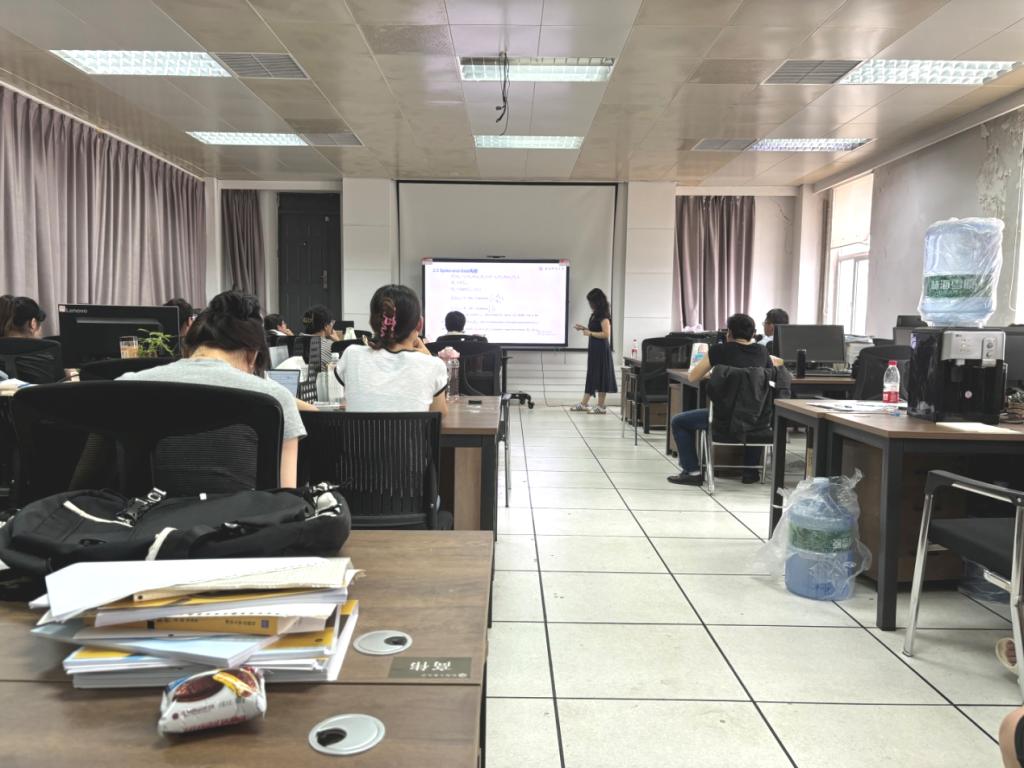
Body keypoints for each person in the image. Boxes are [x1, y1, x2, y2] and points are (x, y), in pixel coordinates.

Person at [119, 290, 306, 488]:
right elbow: (286, 494)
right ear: (253, 355)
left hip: (145, 508)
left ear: (188, 348)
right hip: (246, 508)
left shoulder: (126, 386)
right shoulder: (275, 399)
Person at [669, 313, 781, 486]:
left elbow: (692, 377)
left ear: (729, 332)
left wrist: (716, 374)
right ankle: (750, 472)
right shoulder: (762, 352)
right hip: (756, 421)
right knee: (753, 412)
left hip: (722, 421)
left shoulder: (718, 351)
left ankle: (692, 471)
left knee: (678, 421)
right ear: (753, 333)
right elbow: (766, 376)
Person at [335, 284, 448, 415]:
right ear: (420, 324)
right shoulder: (433, 365)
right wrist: (427, 356)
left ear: (373, 322)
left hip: (361, 430)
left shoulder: (352, 355)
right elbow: (439, 414)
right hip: (410, 430)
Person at [571, 288, 617, 414]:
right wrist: (584, 328)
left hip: (601, 350)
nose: (590, 304)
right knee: (592, 374)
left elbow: (606, 334)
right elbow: (595, 330)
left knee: (601, 375)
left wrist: (590, 333)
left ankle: (600, 406)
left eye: (591, 302)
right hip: (594, 349)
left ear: (597, 302)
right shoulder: (595, 314)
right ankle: (584, 404)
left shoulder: (604, 316)